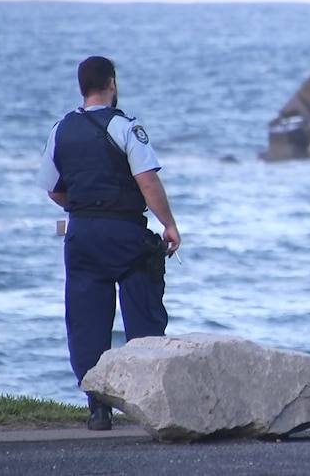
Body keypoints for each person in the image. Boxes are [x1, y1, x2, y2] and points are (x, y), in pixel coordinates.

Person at [37, 56, 181, 431]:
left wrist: (83, 209)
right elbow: (148, 183)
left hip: (81, 234)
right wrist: (169, 225)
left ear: (82, 87)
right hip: (125, 234)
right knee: (144, 317)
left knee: (86, 321)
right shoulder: (125, 127)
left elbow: (53, 188)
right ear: (112, 84)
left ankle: (97, 408)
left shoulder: (61, 130)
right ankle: (147, 404)